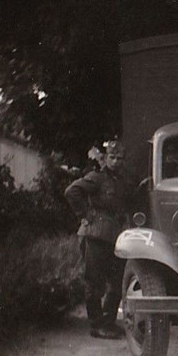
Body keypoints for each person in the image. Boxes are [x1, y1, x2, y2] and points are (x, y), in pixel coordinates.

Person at [65, 140, 132, 339]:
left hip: (115, 236)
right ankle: (96, 325)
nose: (116, 162)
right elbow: (72, 191)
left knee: (117, 281)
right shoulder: (96, 178)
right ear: (105, 158)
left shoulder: (122, 180)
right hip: (95, 235)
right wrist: (85, 215)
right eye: (112, 157)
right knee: (94, 282)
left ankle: (108, 322)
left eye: (120, 158)